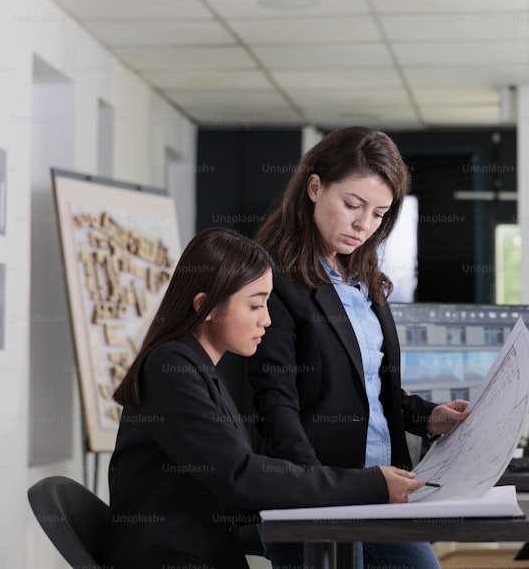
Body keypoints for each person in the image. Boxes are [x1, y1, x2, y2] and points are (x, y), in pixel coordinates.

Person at [100, 227, 425, 569]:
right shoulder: (171, 368)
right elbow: (240, 474)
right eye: (255, 305)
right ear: (205, 306)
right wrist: (369, 484)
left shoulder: (198, 368)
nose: (267, 320)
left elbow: (240, 472)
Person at [248, 127, 470, 569]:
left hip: (382, 491)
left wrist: (427, 417)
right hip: (316, 498)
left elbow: (369, 390)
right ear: (315, 188)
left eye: (379, 214)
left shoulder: (360, 277)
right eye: (352, 205)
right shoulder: (270, 277)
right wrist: (321, 492)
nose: (363, 225)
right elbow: (275, 405)